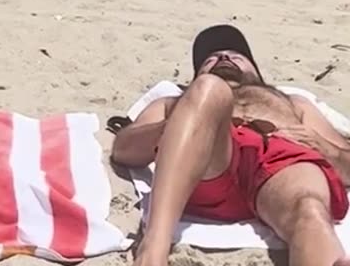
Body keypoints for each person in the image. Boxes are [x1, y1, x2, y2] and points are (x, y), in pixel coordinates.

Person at [113, 25, 350, 266]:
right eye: (211, 58)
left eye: (237, 56)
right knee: (210, 89)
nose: (224, 57)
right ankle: (153, 251)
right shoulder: (178, 101)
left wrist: (323, 146)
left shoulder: (292, 101)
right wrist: (177, 127)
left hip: (283, 160)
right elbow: (123, 149)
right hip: (211, 157)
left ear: (256, 72)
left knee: (309, 209)